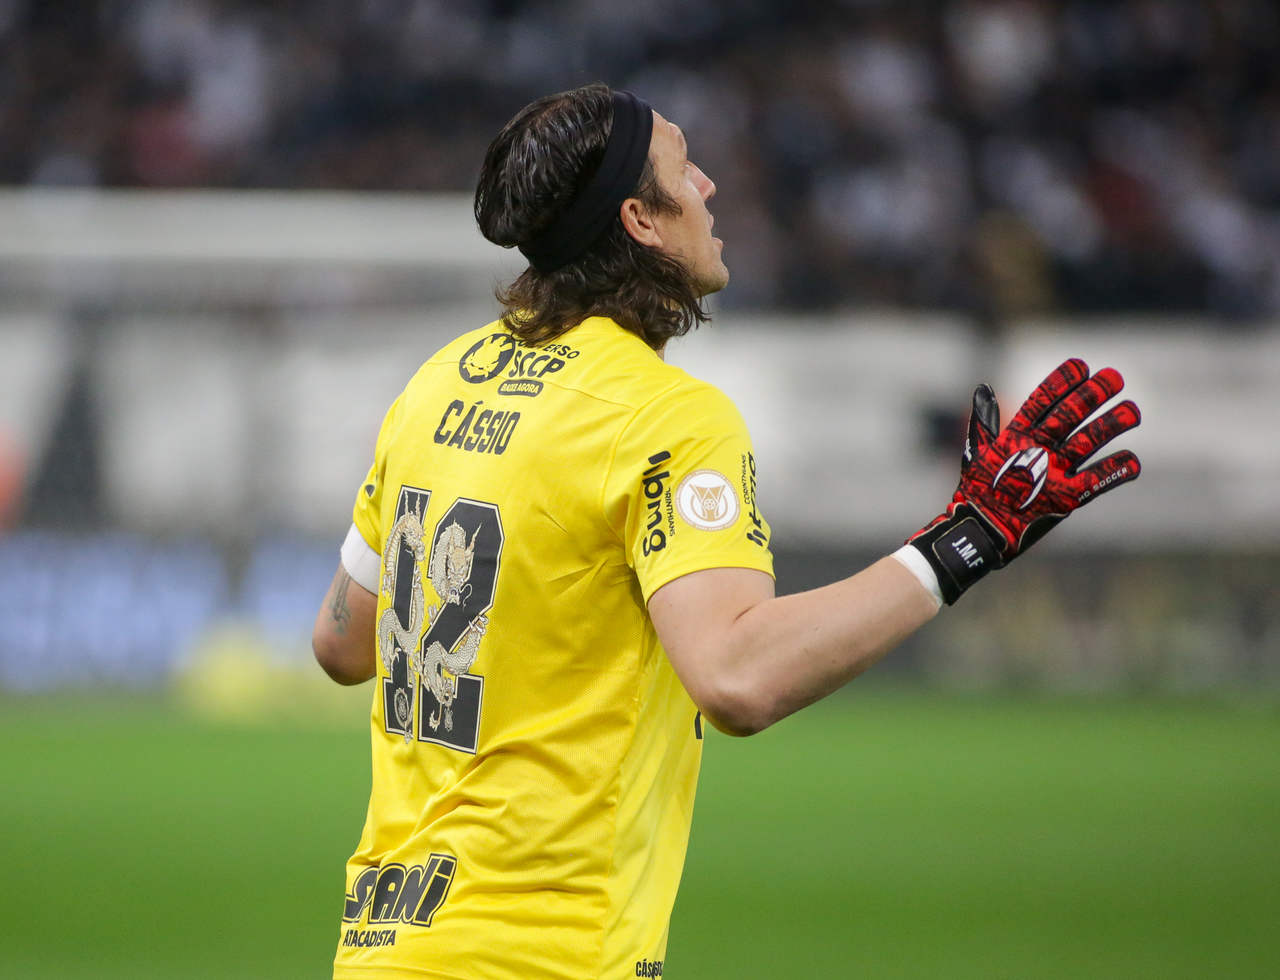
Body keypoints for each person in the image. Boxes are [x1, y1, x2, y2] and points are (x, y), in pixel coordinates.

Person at [312, 82, 1141, 979]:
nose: (709, 186)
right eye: (683, 166)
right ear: (641, 220)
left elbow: (343, 643)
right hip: (542, 951)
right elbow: (737, 676)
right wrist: (963, 541)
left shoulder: (437, 383)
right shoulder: (663, 414)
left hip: (387, 946)